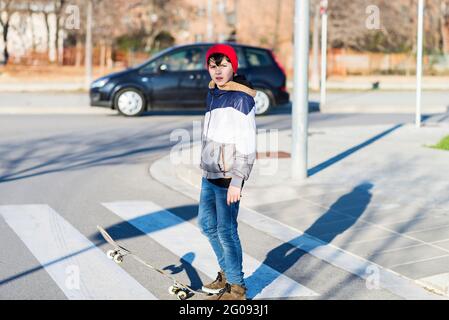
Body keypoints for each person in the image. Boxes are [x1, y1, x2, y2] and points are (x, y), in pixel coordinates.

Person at [198, 44, 257, 300]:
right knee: (207, 225)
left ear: (233, 67)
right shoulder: (214, 92)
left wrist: (237, 181)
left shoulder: (241, 98)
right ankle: (227, 272)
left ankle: (237, 287)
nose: (218, 71)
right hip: (210, 173)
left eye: (223, 65)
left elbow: (247, 143)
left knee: (226, 230)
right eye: (213, 66)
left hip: (229, 177)